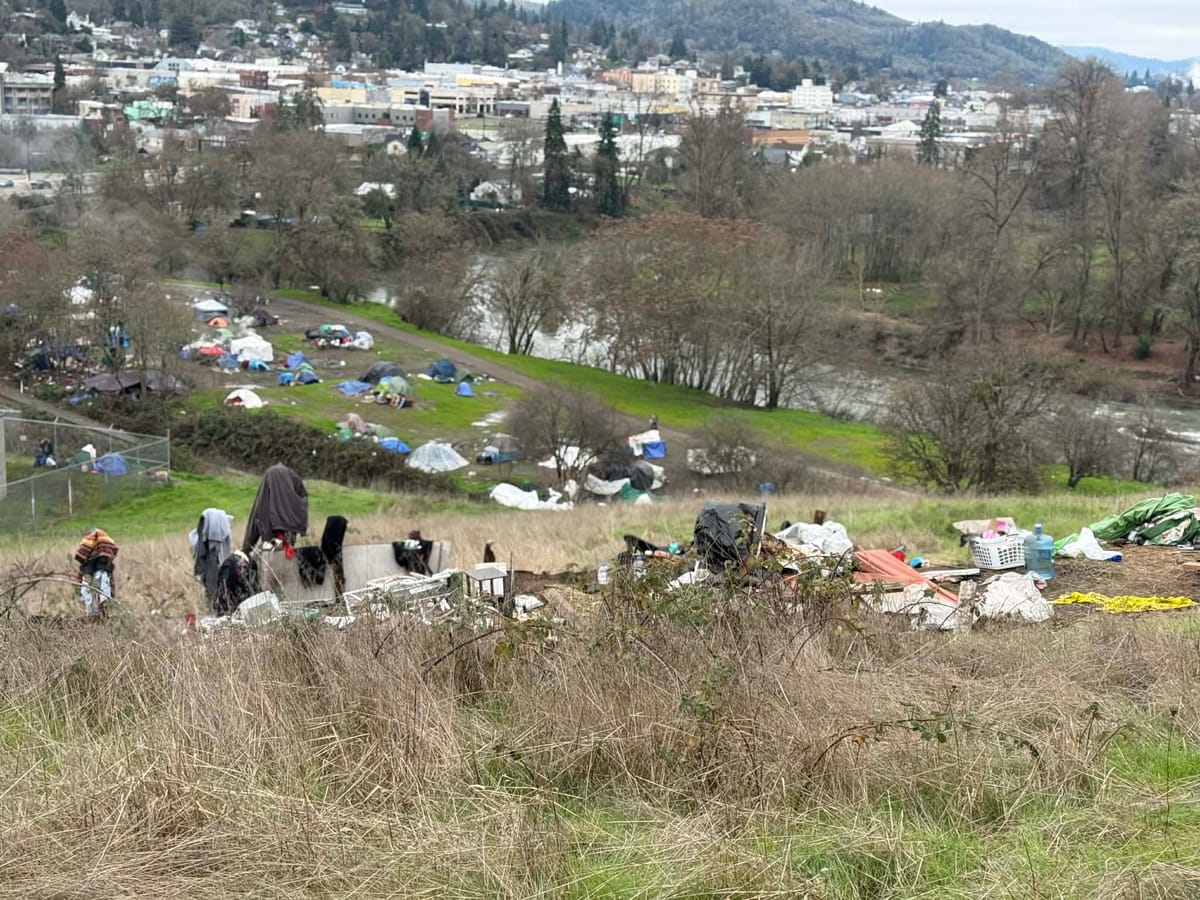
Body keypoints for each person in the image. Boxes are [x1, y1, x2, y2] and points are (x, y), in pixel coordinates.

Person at [74, 528, 118, 618]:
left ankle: (94, 614)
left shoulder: (97, 565)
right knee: (97, 589)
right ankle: (96, 613)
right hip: (95, 574)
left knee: (90, 590)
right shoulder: (102, 564)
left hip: (94, 574)